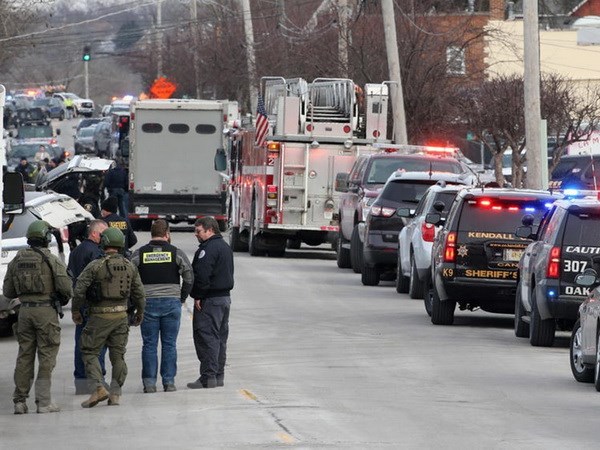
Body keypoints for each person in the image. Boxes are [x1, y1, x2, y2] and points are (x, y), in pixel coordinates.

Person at [4, 220, 73, 414]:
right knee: (47, 356)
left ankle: (19, 400)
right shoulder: (51, 260)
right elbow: (66, 288)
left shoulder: (17, 259)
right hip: (46, 312)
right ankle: (43, 402)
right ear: (46, 238)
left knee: (24, 355)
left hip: (24, 312)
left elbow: (8, 291)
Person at [72, 228, 145, 408]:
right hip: (121, 316)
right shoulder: (129, 266)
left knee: (89, 351)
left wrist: (76, 311)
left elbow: (79, 289)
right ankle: (115, 393)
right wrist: (140, 313)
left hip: (99, 316)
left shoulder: (95, 266)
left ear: (104, 242)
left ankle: (98, 388)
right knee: (118, 355)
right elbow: (140, 294)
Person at [131, 219, 193, 393]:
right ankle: (169, 382)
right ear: (167, 234)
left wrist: (136, 299)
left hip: (147, 303)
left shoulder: (139, 253)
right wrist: (181, 297)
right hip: (171, 302)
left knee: (149, 344)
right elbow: (189, 276)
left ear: (152, 234)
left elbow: (128, 274)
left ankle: (149, 383)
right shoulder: (176, 252)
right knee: (169, 344)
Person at [187, 217, 233, 390]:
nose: (196, 235)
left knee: (206, 337)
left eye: (198, 231)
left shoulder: (207, 250)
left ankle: (208, 377)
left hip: (210, 300)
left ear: (209, 230)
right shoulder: (225, 247)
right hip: (224, 299)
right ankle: (218, 375)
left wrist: (197, 295)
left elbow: (202, 276)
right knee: (220, 338)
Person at [67, 219, 108, 395]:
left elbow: (70, 274)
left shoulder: (76, 251)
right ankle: (97, 382)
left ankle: (81, 382)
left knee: (80, 343)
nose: (106, 238)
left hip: (79, 303)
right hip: (93, 305)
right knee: (97, 345)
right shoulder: (96, 252)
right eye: (103, 234)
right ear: (94, 233)